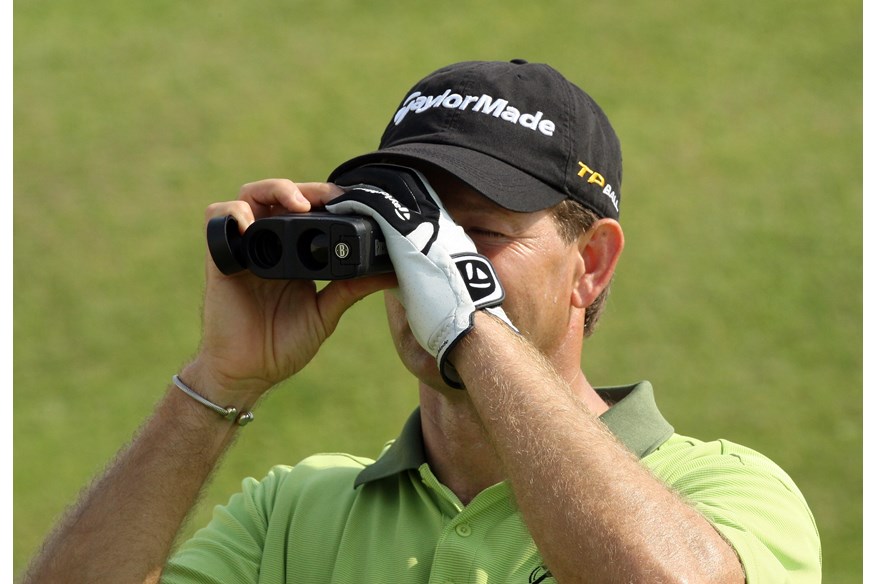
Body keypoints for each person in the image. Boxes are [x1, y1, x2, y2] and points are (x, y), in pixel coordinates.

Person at [23, 59, 821, 584]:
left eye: (477, 233)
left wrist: (472, 325)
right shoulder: (293, 513)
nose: (428, 266)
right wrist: (215, 383)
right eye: (411, 236)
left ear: (592, 264)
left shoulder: (721, 492)